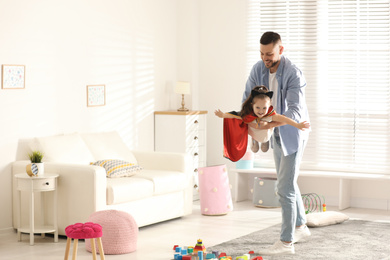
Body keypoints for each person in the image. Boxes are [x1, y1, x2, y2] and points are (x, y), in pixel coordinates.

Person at [243, 31, 311, 255]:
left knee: (284, 187)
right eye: (262, 53)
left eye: (269, 53)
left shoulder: (293, 73)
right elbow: (247, 98)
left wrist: (269, 125)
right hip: (273, 132)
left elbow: (294, 111)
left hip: (293, 132)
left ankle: (286, 243)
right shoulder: (258, 69)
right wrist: (244, 121)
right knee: (287, 181)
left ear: (281, 49)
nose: (265, 58)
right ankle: (301, 226)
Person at [214, 86, 310, 162]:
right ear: (253, 106)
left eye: (264, 108)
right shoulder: (248, 115)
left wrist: (298, 125)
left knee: (264, 144)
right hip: (254, 133)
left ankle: (265, 141)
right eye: (258, 108)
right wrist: (223, 115)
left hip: (265, 134)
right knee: (249, 129)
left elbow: (285, 119)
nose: (261, 111)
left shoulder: (269, 115)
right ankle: (254, 140)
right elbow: (235, 116)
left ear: (269, 106)